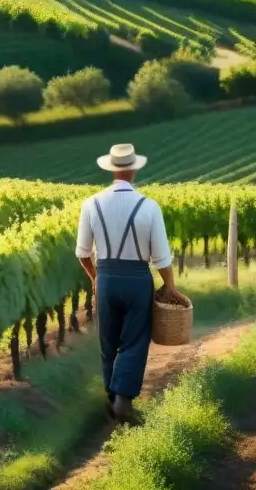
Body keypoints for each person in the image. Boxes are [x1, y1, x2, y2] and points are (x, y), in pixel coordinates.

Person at [75, 143, 180, 423]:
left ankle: (112, 400)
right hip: (137, 280)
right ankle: (123, 400)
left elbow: (83, 254)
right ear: (134, 169)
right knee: (134, 341)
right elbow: (161, 258)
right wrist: (169, 285)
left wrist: (97, 279)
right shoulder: (149, 207)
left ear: (111, 169)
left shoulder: (91, 204)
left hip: (106, 277)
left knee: (108, 341)